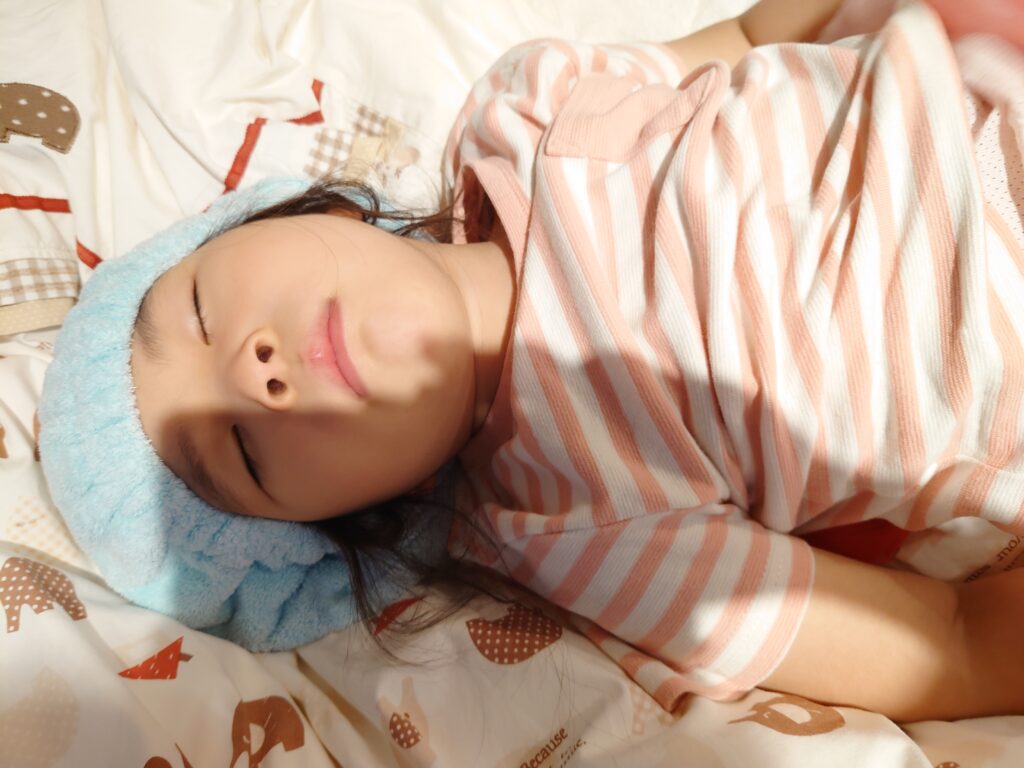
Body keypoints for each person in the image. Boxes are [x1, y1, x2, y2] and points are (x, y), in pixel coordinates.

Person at [38, 0, 1024, 725]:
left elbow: (756, 36)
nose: (256, 375)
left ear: (305, 209)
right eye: (245, 453)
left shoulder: (521, 110)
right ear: (367, 516)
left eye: (203, 311)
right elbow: (951, 644)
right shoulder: (575, 525)